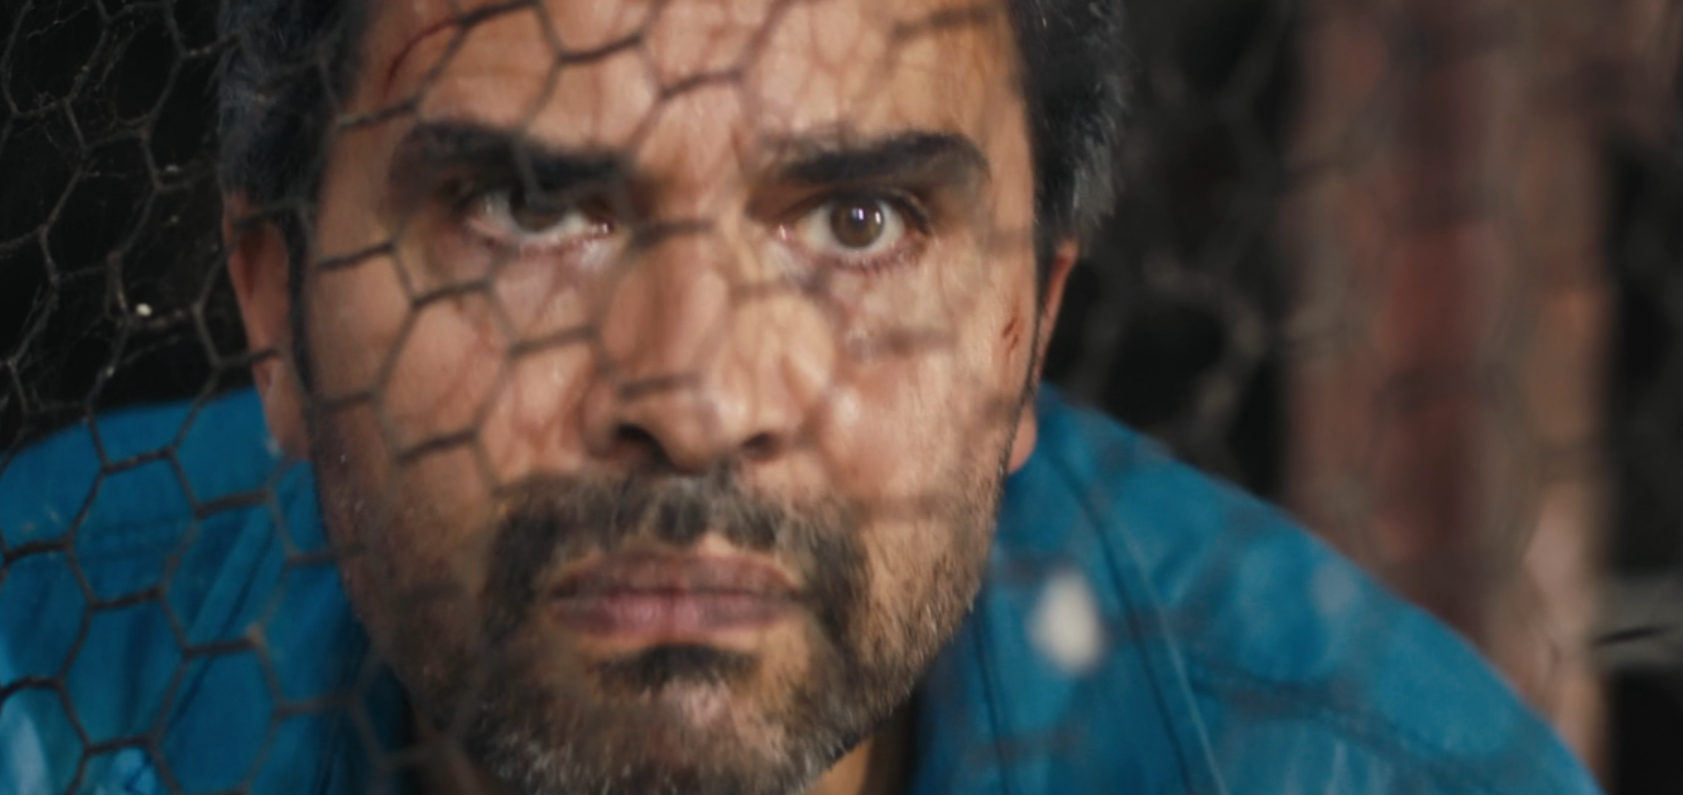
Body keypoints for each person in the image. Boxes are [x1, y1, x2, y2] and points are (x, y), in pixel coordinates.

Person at [0, 0, 1601, 793]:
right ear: (274, 304)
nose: (697, 402)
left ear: (1025, 331)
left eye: (857, 222)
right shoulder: (36, 676)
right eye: (531, 210)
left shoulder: (1378, 772)